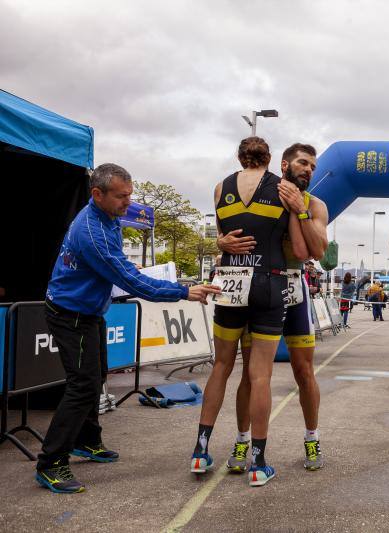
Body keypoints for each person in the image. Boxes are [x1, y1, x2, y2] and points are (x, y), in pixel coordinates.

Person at [36, 163, 220, 494]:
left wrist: (122, 265)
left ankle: (87, 441)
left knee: (97, 378)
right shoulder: (90, 231)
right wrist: (183, 291)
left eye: (130, 194)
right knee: (82, 386)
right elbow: (129, 280)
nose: (128, 202)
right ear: (97, 194)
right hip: (69, 313)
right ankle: (50, 463)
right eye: (122, 196)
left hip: (88, 311)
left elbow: (117, 265)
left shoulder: (109, 218)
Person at [217, 142, 329, 476]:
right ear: (284, 164)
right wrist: (219, 242)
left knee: (303, 371)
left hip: (293, 287)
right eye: (302, 163)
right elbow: (229, 231)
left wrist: (300, 210)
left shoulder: (316, 203)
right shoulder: (259, 190)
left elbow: (317, 250)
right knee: (252, 373)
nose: (308, 169)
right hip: (260, 289)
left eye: (313, 165)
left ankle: (312, 438)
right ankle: (242, 440)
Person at [192, 137, 297, 487]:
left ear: (239, 157)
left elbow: (224, 239)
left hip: (230, 281)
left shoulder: (221, 187)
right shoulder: (284, 187)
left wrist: (222, 244)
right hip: (268, 282)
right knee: (261, 376)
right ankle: (258, 461)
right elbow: (296, 243)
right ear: (270, 159)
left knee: (221, 366)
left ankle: (200, 450)